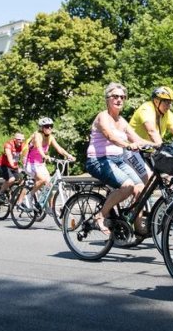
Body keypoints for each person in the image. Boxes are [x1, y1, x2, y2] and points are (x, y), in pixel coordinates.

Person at [84, 83, 156, 234]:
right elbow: (110, 136)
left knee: (140, 188)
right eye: (115, 96)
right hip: (98, 160)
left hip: (117, 160)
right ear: (107, 99)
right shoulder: (103, 116)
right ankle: (100, 216)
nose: (119, 100)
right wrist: (127, 145)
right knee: (127, 186)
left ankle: (136, 225)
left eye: (122, 97)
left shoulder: (122, 121)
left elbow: (137, 138)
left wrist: (159, 145)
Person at [20, 117, 75, 210]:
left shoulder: (50, 137)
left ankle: (50, 208)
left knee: (49, 185)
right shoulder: (37, 135)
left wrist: (69, 155)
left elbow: (59, 148)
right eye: (46, 126)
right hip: (29, 162)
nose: (49, 128)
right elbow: (38, 147)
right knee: (42, 179)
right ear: (42, 127)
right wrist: (44, 155)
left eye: (51, 126)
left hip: (40, 164)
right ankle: (29, 196)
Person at [0, 133, 25, 200]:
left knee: (22, 181)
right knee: (11, 179)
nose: (21, 141)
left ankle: (17, 197)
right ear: (14, 139)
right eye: (19, 139)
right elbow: (9, 156)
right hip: (3, 165)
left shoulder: (22, 146)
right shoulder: (8, 145)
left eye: (22, 140)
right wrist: (14, 166)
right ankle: (1, 192)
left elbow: (24, 157)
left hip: (14, 166)